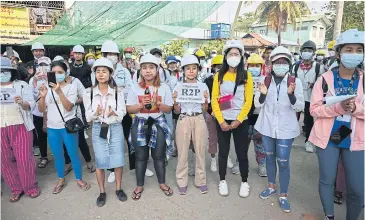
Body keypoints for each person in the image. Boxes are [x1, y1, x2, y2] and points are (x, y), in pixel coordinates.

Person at [309, 29, 364, 220]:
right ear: (339, 53)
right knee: (327, 179)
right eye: (349, 49)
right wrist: (338, 108)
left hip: (356, 137)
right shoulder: (324, 80)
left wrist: (355, 108)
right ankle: (329, 216)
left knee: (357, 188)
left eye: (359, 50)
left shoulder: (364, 80)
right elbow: (314, 109)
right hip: (330, 135)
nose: (354, 54)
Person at [255, 46, 304, 213]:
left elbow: (299, 107)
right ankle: (271, 187)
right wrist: (262, 93)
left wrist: (291, 95)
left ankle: (283, 194)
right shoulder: (265, 79)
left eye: (284, 62)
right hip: (267, 126)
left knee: (283, 161)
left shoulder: (295, 81)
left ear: (289, 64)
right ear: (272, 63)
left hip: (286, 129)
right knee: (269, 158)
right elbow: (257, 104)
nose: (280, 65)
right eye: (277, 62)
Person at [127, 53, 174, 200]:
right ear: (140, 70)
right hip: (140, 124)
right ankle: (139, 185)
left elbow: (169, 109)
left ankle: (162, 183)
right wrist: (140, 105)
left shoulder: (164, 87)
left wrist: (158, 104)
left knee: (158, 156)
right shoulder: (135, 88)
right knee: (140, 157)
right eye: (145, 68)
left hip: (158, 124)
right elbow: (129, 109)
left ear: (157, 70)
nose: (148, 71)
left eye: (151, 68)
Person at [38, 61, 90, 194]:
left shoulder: (71, 87)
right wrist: (43, 97)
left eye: (60, 72)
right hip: (52, 128)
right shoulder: (47, 88)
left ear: (66, 73)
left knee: (73, 154)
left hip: (68, 127)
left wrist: (59, 91)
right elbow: (42, 109)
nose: (57, 75)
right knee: (58, 155)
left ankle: (79, 179)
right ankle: (61, 179)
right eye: (54, 72)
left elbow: (68, 107)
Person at [211, 40, 253, 198]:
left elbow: (248, 101)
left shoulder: (246, 75)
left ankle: (244, 181)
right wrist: (221, 121)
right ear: (225, 56)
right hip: (223, 120)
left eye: (236, 54)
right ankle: (222, 180)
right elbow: (215, 99)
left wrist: (239, 120)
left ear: (241, 57)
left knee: (242, 153)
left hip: (240, 121)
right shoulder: (219, 75)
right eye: (231, 54)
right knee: (223, 152)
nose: (233, 57)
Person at [83, 57, 128, 207]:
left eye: (104, 71)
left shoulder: (117, 91)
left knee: (118, 160)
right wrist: (96, 112)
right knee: (100, 162)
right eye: (98, 71)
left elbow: (123, 112)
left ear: (110, 74)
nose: (101, 74)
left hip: (115, 128)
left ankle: (118, 189)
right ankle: (102, 192)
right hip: (98, 128)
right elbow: (88, 118)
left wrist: (113, 112)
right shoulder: (88, 92)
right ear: (94, 74)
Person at [1, 57, 41, 202]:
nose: (2, 73)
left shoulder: (22, 85)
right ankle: (16, 188)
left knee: (24, 158)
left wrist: (22, 103)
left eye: (5, 71)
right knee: (5, 160)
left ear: (11, 72)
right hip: (1, 127)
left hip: (20, 125)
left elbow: (31, 104)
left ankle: (30, 187)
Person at [173, 55, 210, 195]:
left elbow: (205, 110)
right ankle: (181, 180)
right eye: (188, 68)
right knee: (182, 151)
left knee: (200, 150)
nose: (191, 71)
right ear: (183, 70)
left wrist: (206, 101)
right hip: (183, 118)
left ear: (198, 70)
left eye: (194, 68)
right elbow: (176, 110)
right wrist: (176, 101)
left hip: (198, 118)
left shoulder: (203, 86)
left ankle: (201, 180)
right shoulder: (178, 86)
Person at [233, 53, 267, 177]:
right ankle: (239, 163)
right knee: (242, 142)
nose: (254, 68)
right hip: (244, 116)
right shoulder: (242, 78)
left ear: (261, 67)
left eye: (257, 65)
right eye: (251, 65)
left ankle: (261, 165)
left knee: (260, 143)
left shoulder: (266, 80)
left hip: (259, 116)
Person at [62, 60, 94, 175]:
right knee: (64, 142)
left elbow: (84, 96)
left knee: (81, 141)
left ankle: (88, 161)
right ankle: (68, 162)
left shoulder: (75, 82)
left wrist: (73, 102)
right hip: (59, 119)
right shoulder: (52, 84)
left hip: (74, 117)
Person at [293, 40, 325, 153]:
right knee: (293, 118)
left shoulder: (318, 67)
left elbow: (322, 83)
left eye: (309, 50)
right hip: (297, 98)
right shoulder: (296, 67)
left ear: (313, 53)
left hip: (311, 98)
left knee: (309, 121)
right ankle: (290, 137)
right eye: (305, 50)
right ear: (301, 52)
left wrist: (315, 85)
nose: (307, 52)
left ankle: (309, 142)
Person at [29, 56, 52, 168]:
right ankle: (44, 157)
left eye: (46, 65)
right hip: (38, 113)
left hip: (52, 113)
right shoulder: (33, 79)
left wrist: (48, 79)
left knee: (54, 135)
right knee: (41, 136)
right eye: (41, 65)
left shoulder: (54, 77)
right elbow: (31, 97)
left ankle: (62, 155)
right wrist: (34, 80)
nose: (43, 68)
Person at [204, 54, 225, 172]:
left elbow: (229, 97)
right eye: (218, 66)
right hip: (211, 113)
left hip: (225, 112)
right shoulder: (207, 81)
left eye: (222, 66)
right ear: (213, 68)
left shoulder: (228, 80)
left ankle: (224, 157)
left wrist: (221, 109)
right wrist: (212, 111)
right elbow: (206, 98)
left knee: (224, 138)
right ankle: (213, 159)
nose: (220, 69)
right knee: (212, 137)